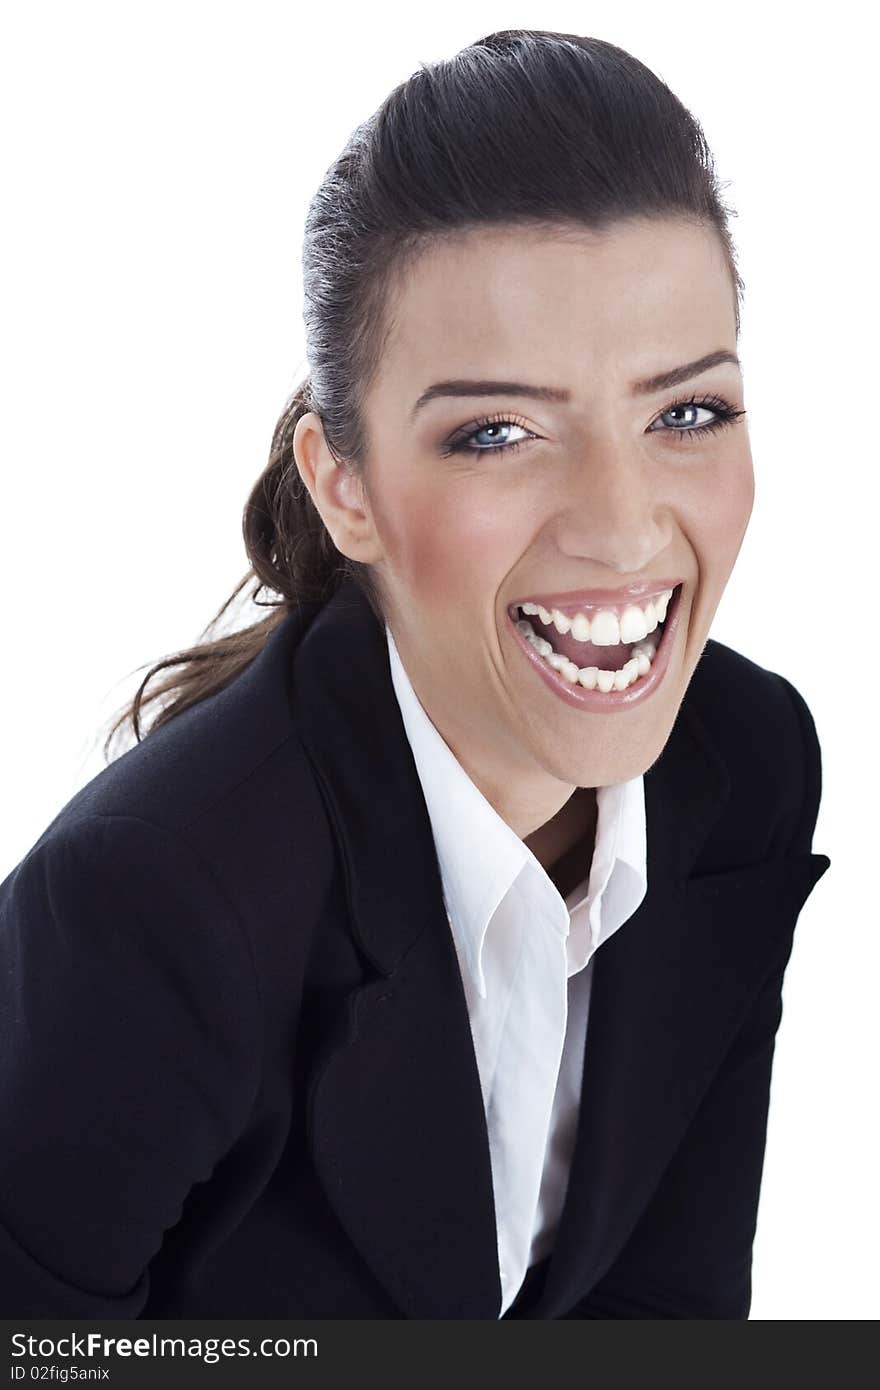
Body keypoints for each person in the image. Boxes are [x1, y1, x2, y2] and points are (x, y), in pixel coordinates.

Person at [0, 28, 829, 1320]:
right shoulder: (150, 909)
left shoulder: (747, 762)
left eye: (685, 412)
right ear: (346, 486)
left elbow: (670, 1311)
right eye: (498, 432)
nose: (621, 522)